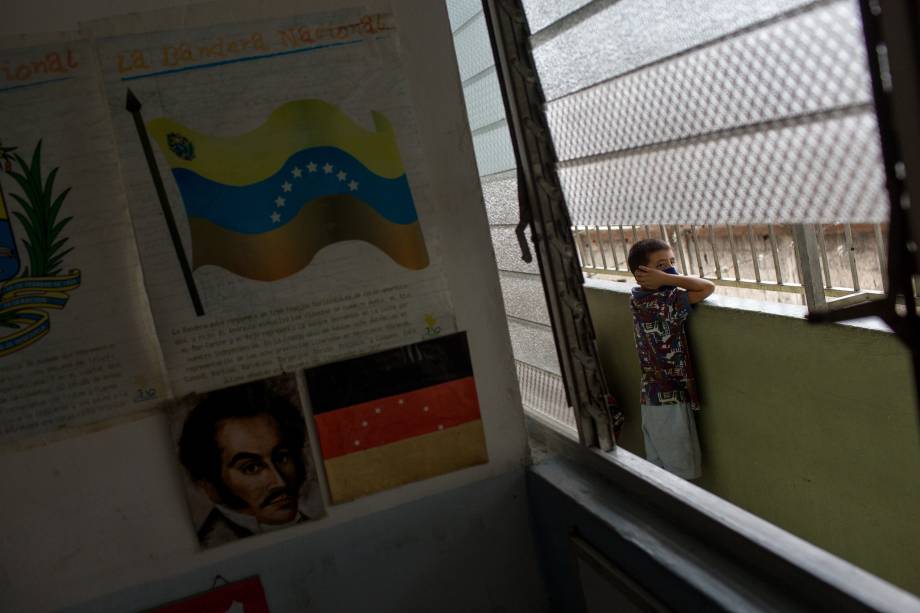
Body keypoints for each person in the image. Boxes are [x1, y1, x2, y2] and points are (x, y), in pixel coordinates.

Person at [177, 379, 320, 548]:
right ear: (210, 487)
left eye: (282, 457)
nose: (279, 482)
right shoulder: (215, 544)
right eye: (251, 468)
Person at [627, 239, 715, 479]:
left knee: (661, 471)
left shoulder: (638, 297)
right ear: (642, 274)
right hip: (669, 400)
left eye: (672, 262)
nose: (669, 269)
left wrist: (663, 278)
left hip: (652, 396)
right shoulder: (663, 301)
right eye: (661, 265)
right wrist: (670, 280)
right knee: (679, 476)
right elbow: (706, 288)